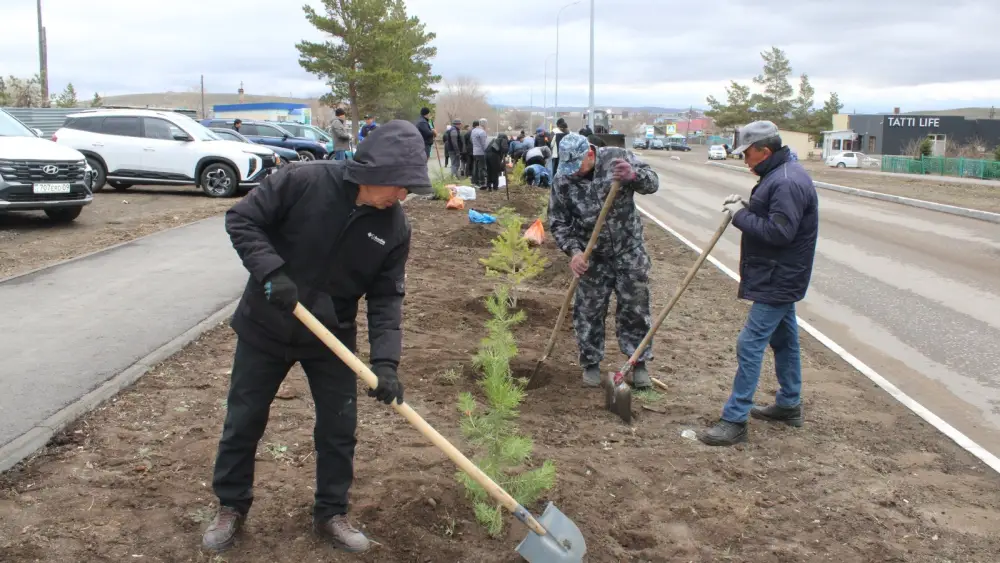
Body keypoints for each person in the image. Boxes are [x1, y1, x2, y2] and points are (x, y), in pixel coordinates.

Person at [202, 120, 432, 554]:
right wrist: (272, 271)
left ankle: (331, 512)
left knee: (339, 427)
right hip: (265, 325)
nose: (402, 197)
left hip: (332, 336)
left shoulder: (394, 227)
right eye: (401, 186)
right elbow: (242, 219)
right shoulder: (303, 181)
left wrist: (386, 363)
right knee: (244, 419)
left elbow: (386, 298)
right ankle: (231, 505)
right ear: (374, 171)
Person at [697, 120, 819, 447]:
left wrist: (740, 215)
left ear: (765, 151)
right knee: (785, 340)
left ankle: (735, 419)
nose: (744, 160)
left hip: (779, 277)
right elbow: (775, 220)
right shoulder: (778, 176)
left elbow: (780, 233)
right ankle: (789, 404)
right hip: (778, 274)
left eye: (747, 154)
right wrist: (750, 209)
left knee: (749, 343)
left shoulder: (787, 181)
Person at [548, 133, 660, 388]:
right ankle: (590, 363)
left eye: (577, 165)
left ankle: (637, 363)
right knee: (588, 311)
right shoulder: (563, 179)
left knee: (635, 308)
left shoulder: (617, 159)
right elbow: (558, 222)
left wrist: (634, 176)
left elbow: (652, 183)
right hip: (592, 256)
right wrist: (574, 252)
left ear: (590, 153)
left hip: (628, 250)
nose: (573, 172)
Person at [470, 120, 488, 188]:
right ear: (484, 124)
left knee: (475, 167)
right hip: (481, 152)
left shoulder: (473, 131)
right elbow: (484, 144)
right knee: (482, 167)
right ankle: (482, 182)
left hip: (475, 152)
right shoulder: (482, 132)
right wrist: (486, 151)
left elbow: (471, 140)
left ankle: (474, 181)